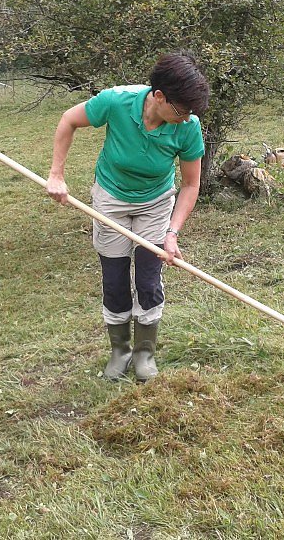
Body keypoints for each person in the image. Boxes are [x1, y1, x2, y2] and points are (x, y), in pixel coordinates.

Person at [47, 52, 210, 382]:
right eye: (181, 110)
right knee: (114, 278)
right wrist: (56, 175)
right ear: (159, 96)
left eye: (191, 112)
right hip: (111, 199)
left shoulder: (188, 126)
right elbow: (68, 120)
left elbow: (191, 185)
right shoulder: (116, 102)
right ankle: (119, 351)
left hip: (155, 203)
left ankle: (144, 354)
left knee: (149, 278)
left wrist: (173, 232)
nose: (186, 117)